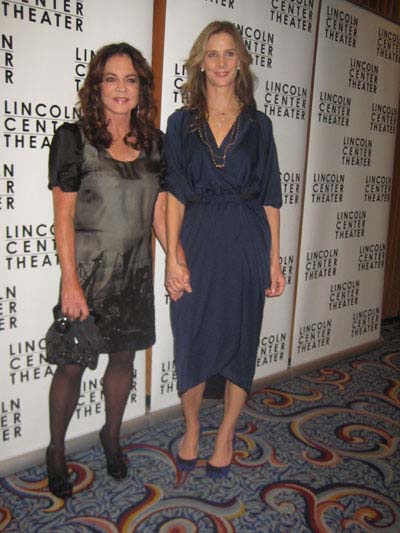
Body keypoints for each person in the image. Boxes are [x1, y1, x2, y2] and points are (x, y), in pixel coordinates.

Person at [165, 21, 285, 479]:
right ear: (200, 61)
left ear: (241, 61)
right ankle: (193, 428)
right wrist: (174, 257)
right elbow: (174, 193)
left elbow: (271, 196)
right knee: (190, 338)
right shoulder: (181, 123)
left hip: (246, 240)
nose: (220, 63)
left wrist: (274, 260)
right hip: (197, 238)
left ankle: (227, 433)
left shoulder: (260, 124)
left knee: (240, 341)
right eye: (212, 54)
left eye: (229, 53)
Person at [46, 43, 167, 498]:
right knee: (72, 366)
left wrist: (175, 257)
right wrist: (70, 283)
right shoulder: (73, 139)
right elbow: (63, 218)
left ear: (141, 89)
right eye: (111, 79)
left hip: (134, 275)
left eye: (130, 79)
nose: (121, 88)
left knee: (123, 361)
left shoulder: (156, 144)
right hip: (88, 277)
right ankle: (56, 450)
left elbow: (158, 212)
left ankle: (110, 435)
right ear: (96, 87)